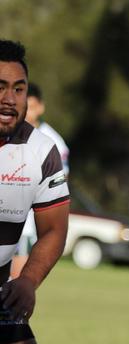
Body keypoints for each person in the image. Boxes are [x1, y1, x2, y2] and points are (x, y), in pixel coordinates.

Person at [0, 39, 70, 344]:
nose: (9, 100)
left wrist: (28, 279)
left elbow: (54, 230)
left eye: (18, 89)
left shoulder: (41, 151)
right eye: (0, 87)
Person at [11, 82, 70, 279]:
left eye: (33, 106)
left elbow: (59, 183)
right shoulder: (9, 130)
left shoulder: (52, 141)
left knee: (15, 279)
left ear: (41, 107)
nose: (28, 111)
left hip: (26, 221)